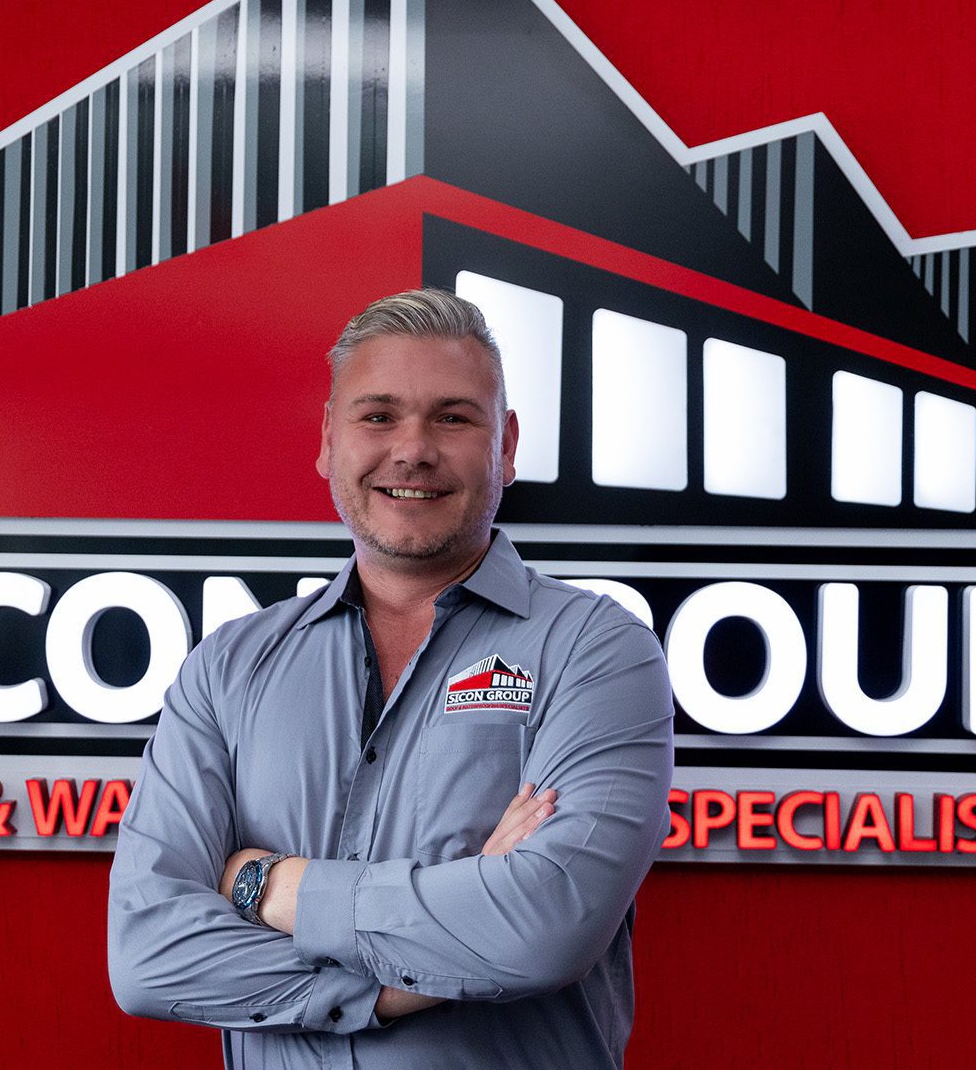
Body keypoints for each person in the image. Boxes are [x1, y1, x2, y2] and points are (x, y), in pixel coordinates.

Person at [107, 288, 674, 1068]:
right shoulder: (228, 670)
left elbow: (544, 932)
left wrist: (270, 887)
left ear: (505, 445)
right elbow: (147, 958)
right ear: (328, 441)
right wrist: (408, 973)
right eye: (378, 416)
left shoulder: (596, 651)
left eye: (453, 416)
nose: (413, 449)